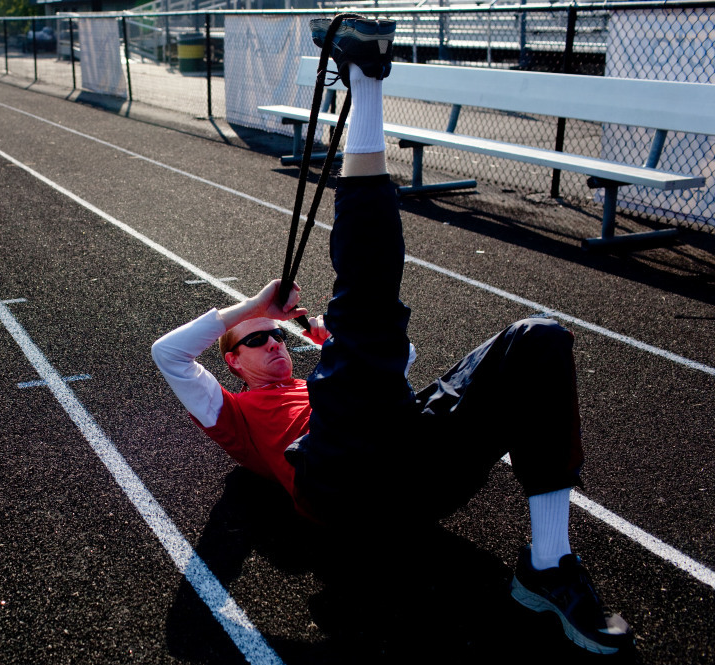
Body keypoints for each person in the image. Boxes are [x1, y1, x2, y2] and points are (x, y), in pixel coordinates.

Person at [152, 16, 632, 655]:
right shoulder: (235, 418)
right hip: (341, 487)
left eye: (276, 336)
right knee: (367, 305)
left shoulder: (326, 375)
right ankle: (367, 82)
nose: (273, 344)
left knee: (538, 340)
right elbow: (168, 354)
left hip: (410, 465)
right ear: (233, 363)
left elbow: (396, 361)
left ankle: (547, 564)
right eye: (257, 341)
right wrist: (256, 305)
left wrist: (325, 338)